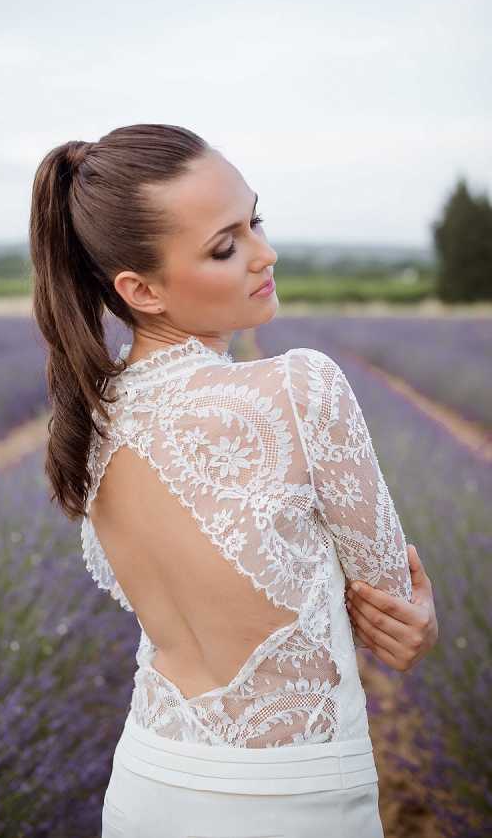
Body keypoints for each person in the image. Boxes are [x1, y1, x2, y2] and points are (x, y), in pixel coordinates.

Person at [28, 124, 438, 838]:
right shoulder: (302, 387)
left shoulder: (88, 424)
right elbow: (393, 614)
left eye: (255, 221)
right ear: (140, 290)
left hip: (147, 786)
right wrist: (416, 619)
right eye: (226, 246)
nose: (264, 253)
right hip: (292, 804)